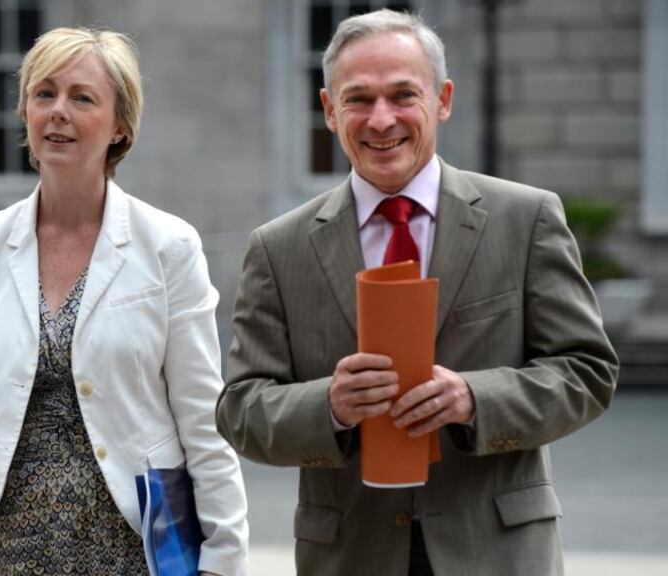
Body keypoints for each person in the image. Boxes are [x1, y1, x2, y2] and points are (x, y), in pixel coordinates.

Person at [216, 9, 616, 576]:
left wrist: (475, 398)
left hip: (498, 553)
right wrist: (328, 405)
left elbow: (587, 372)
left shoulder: (525, 219)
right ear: (330, 111)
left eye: (404, 94)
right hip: (352, 554)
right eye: (358, 99)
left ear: (443, 99)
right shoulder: (279, 248)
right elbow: (241, 410)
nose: (382, 120)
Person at [0, 27, 247, 576]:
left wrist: (223, 561)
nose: (58, 111)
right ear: (25, 113)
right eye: (44, 94)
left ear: (120, 127)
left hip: (137, 552)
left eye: (81, 97)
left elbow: (204, 419)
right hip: (11, 557)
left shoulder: (169, 246)